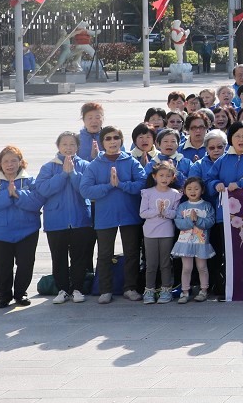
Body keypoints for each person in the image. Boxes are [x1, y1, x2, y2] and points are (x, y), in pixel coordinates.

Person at [79, 127, 147, 304]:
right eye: (108, 138)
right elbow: (85, 189)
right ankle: (105, 289)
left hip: (129, 214)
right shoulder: (95, 165)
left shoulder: (131, 161)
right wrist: (109, 186)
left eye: (116, 138)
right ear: (102, 143)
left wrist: (122, 185)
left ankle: (130, 287)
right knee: (104, 254)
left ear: (121, 141)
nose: (112, 141)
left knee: (132, 252)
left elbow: (141, 183)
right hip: (105, 216)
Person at [0, 145, 43, 309]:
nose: (10, 164)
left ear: (21, 162)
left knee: (26, 263)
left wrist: (18, 194)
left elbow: (37, 201)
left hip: (27, 231)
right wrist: (7, 193)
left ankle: (21, 293)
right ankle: (4, 295)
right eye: (5, 161)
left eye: (14, 160)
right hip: (0, 233)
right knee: (2, 265)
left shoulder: (31, 181)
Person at [34, 132, 94, 304]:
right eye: (65, 144)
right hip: (56, 220)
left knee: (79, 257)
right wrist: (62, 175)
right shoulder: (48, 167)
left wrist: (73, 173)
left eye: (72, 144)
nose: (68, 148)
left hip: (80, 219)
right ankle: (62, 289)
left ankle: (77, 288)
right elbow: (43, 189)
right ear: (58, 146)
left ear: (78, 147)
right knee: (58, 256)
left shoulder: (85, 165)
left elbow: (86, 189)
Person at [138, 161, 182, 305]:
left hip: (167, 232)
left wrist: (165, 212)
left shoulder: (175, 194)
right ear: (154, 176)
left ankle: (166, 289)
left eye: (168, 176)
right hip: (150, 232)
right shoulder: (148, 192)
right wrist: (158, 211)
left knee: (165, 263)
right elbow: (142, 213)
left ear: (172, 177)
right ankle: (149, 289)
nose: (164, 178)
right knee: (151, 263)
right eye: (161, 175)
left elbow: (176, 214)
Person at [171, 177, 215, 303]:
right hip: (185, 243)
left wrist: (198, 220)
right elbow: (178, 223)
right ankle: (185, 292)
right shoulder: (182, 206)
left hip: (201, 242)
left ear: (202, 190)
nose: (193, 191)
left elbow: (210, 222)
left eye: (196, 188)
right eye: (189, 188)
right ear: (184, 191)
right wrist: (190, 221)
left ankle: (204, 290)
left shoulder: (207, 206)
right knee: (186, 268)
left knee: (202, 266)